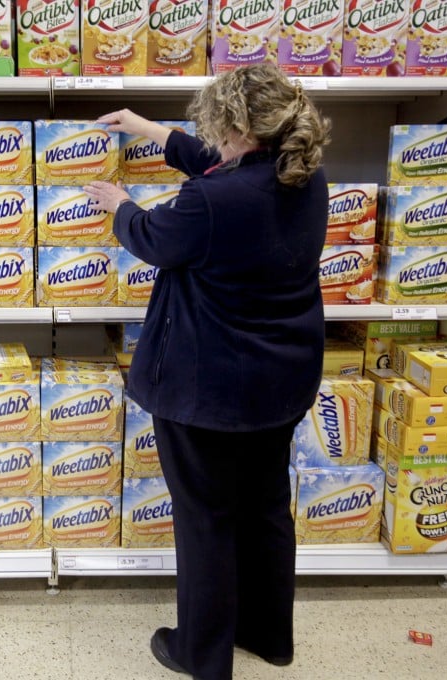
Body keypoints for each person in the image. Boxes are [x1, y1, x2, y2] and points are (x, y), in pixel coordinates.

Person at [83, 63, 330, 680]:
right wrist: (148, 129)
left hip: (210, 390)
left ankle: (200, 652)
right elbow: (216, 164)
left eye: (217, 125)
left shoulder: (210, 203)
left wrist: (120, 206)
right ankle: (270, 637)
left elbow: (155, 236)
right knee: (266, 509)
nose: (209, 135)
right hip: (281, 381)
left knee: (206, 517)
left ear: (240, 128)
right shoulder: (305, 174)